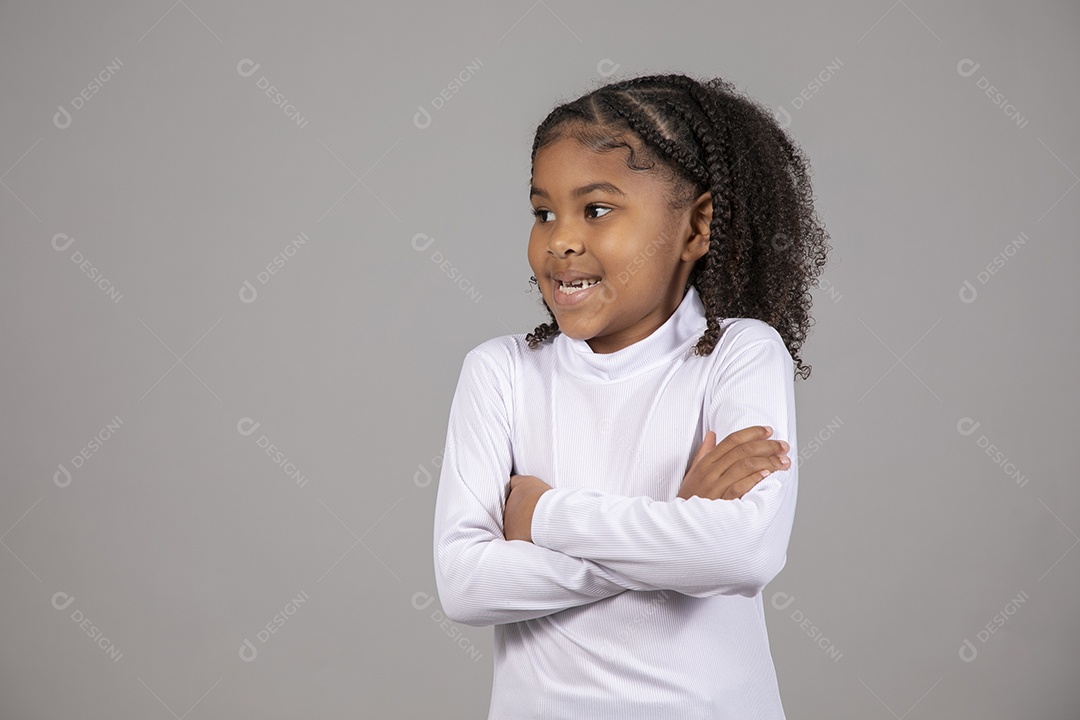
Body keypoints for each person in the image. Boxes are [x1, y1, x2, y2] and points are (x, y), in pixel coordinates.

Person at [432, 72, 831, 719]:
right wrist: (675, 527)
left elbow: (743, 552)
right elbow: (465, 586)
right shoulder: (500, 371)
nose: (560, 239)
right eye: (543, 212)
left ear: (697, 226)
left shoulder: (739, 352)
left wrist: (543, 519)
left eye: (596, 209)